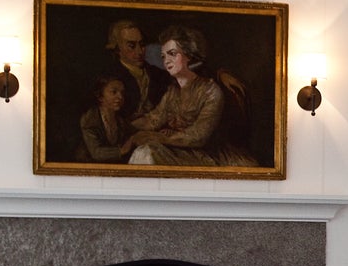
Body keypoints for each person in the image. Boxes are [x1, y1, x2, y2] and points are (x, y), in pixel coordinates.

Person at [123, 25, 256, 166]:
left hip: (206, 156)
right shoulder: (173, 91)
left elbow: (198, 136)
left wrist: (161, 137)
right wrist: (123, 126)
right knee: (144, 152)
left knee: (147, 153)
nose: (166, 60)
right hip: (180, 150)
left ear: (189, 55)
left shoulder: (210, 91)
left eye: (172, 53)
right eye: (163, 56)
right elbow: (153, 119)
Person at [104, 19, 169, 117]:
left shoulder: (159, 74)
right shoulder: (109, 77)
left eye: (142, 45)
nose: (139, 51)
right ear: (117, 49)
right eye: (131, 46)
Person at [75, 76, 133, 162]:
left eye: (122, 93)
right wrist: (122, 150)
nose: (120, 97)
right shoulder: (89, 119)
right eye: (114, 92)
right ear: (100, 97)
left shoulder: (121, 121)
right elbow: (96, 153)